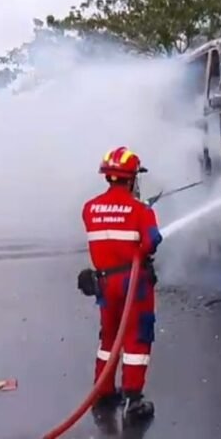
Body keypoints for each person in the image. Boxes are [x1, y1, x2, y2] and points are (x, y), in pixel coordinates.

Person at [78, 146, 162, 423]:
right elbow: (151, 242)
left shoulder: (89, 208)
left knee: (109, 338)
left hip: (103, 282)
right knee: (137, 338)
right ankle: (133, 400)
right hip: (133, 284)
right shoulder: (141, 211)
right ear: (132, 178)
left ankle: (103, 390)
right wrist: (143, 217)